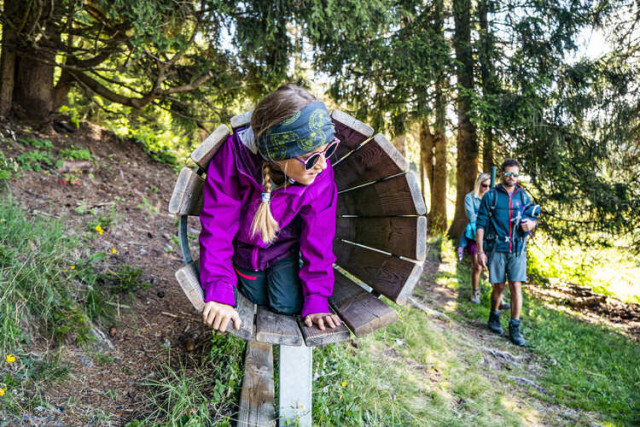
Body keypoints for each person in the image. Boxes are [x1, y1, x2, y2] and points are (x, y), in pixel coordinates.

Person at [198, 84, 342, 334]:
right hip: (243, 250)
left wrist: (317, 299)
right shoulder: (235, 157)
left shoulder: (320, 174)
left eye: (327, 151)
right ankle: (243, 277)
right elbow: (218, 226)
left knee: (287, 305)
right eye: (310, 157)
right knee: (254, 297)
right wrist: (221, 291)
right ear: (278, 155)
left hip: (282, 248)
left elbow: (319, 239)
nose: (321, 164)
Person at [476, 159, 538, 346]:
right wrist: (480, 251)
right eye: (508, 173)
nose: (512, 177)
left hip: (517, 249)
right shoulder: (491, 196)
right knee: (499, 287)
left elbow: (531, 218)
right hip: (497, 247)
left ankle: (514, 327)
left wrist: (532, 224)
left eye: (515, 174)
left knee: (516, 286)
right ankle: (494, 316)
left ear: (518, 176)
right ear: (502, 173)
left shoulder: (523, 196)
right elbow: (480, 225)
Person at [463, 173, 491, 304]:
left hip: (488, 236)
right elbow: (472, 216)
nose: (486, 188)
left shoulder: (491, 198)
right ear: (478, 184)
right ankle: (475, 292)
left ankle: (498, 296)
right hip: (473, 235)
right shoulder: (469, 198)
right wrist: (485, 218)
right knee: (478, 267)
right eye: (484, 185)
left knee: (492, 266)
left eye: (489, 186)